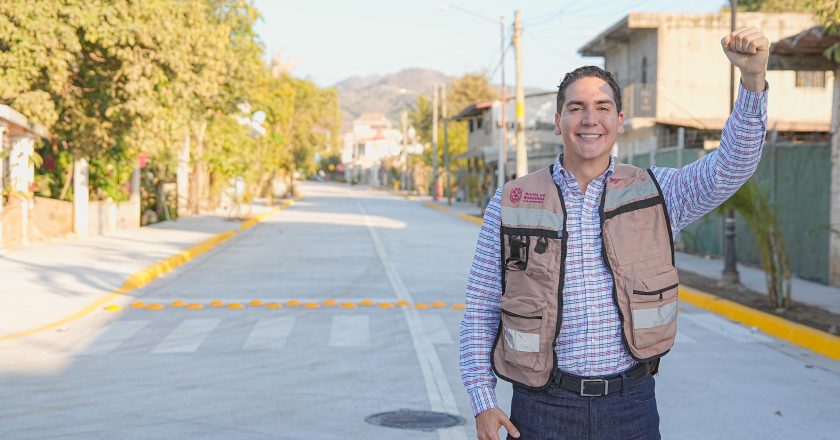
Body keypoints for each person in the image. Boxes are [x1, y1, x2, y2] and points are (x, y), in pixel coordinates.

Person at [459, 28, 769, 440]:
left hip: (631, 406)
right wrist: (483, 400)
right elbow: (481, 307)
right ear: (558, 121)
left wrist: (751, 81)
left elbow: (732, 166)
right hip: (541, 407)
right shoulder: (511, 201)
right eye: (577, 108)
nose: (590, 119)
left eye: (603, 107)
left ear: (619, 121)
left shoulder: (659, 193)